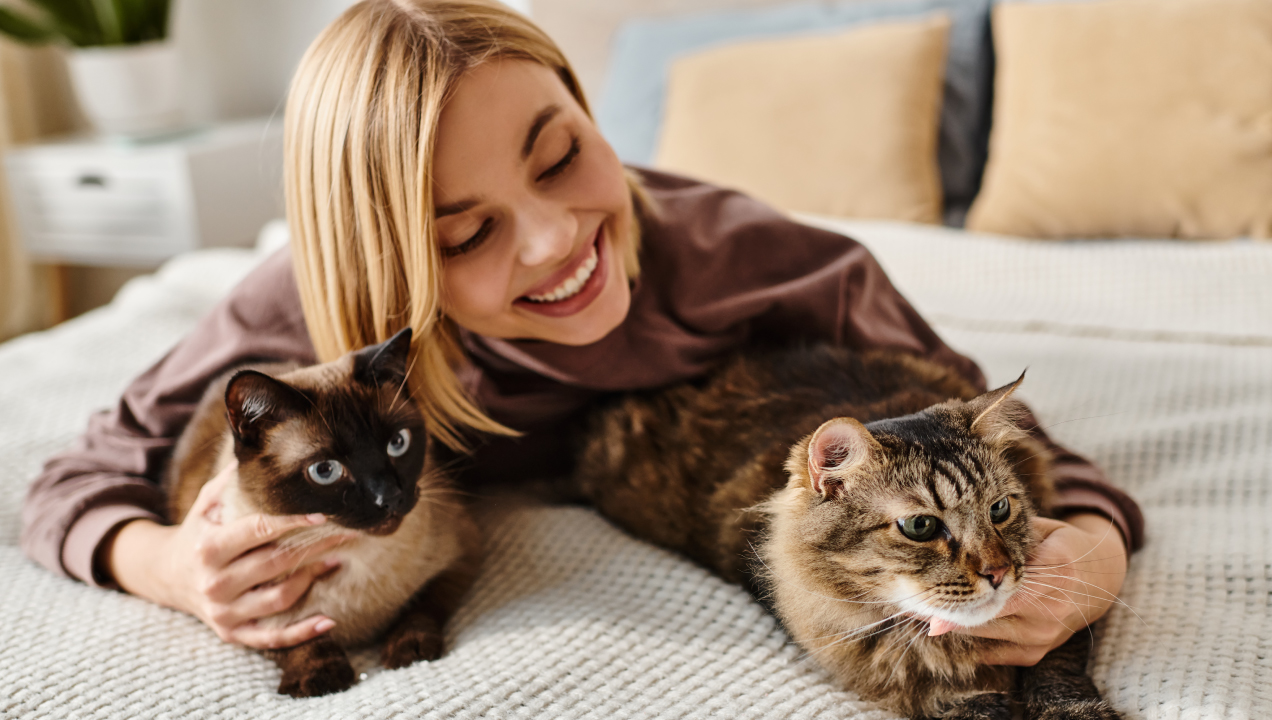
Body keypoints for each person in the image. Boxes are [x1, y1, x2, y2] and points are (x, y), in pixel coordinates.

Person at [21, 0, 1141, 666]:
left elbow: (1010, 445)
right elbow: (74, 478)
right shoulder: (313, 315)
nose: (556, 241)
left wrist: (1087, 550)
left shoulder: (773, 265)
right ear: (388, 266)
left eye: (560, 155)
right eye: (465, 234)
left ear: (589, 109)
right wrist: (166, 565)